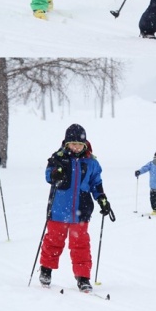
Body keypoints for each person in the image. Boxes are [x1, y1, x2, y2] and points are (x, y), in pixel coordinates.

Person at [38, 124, 113, 293]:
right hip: (58, 210)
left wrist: (102, 199)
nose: (77, 147)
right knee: (53, 242)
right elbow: (48, 175)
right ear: (66, 144)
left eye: (80, 144)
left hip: (81, 210)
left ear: (85, 144)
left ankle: (83, 278)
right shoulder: (58, 158)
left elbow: (96, 183)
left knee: (81, 245)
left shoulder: (92, 162)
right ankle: (46, 270)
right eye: (73, 144)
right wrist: (54, 174)